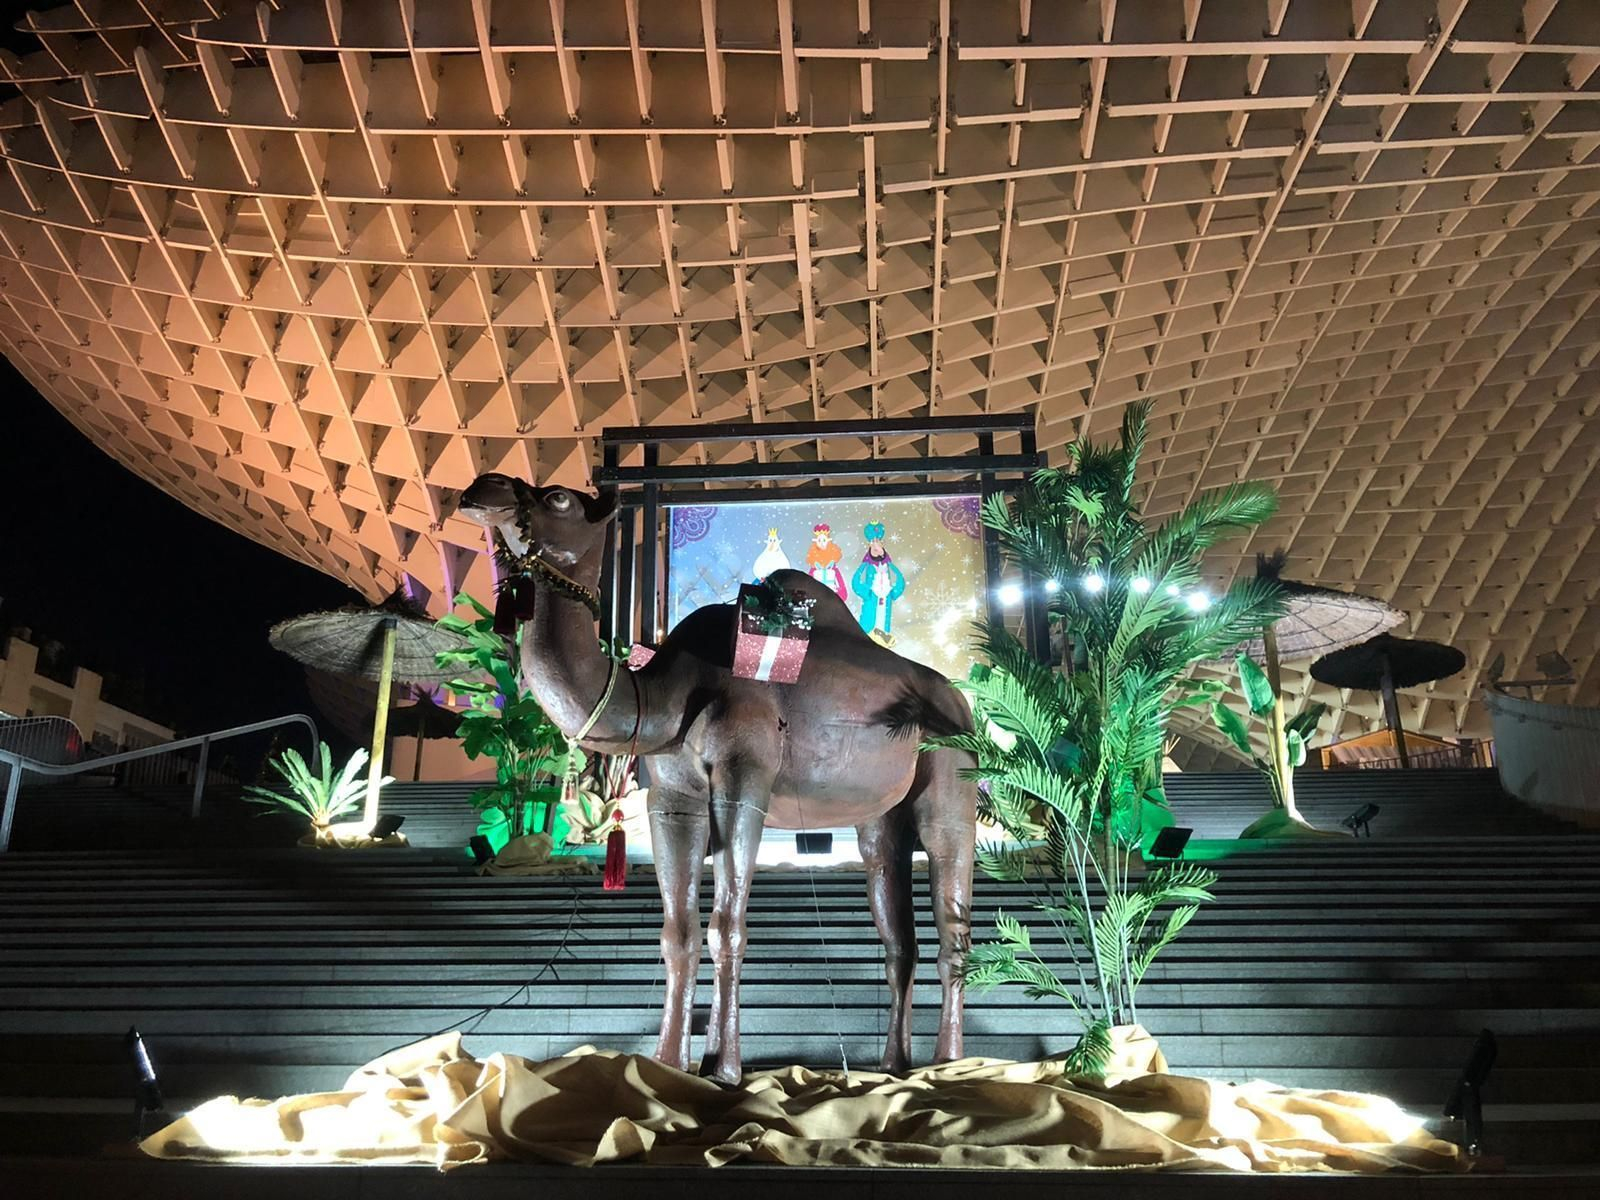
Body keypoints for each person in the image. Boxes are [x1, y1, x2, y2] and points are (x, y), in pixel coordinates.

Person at [851, 521, 905, 647]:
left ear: (882, 544)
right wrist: (867, 593)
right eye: (872, 543)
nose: (875, 547)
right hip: (872, 598)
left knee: (883, 626)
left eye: (878, 543)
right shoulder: (867, 565)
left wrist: (893, 592)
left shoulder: (888, 565)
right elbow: (856, 581)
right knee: (869, 628)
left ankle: (882, 641)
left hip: (886, 598)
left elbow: (900, 581)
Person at [805, 523, 848, 601]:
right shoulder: (813, 570)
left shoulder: (834, 570)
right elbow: (808, 589)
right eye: (819, 540)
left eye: (824, 540)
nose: (821, 543)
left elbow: (843, 593)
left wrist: (836, 598)